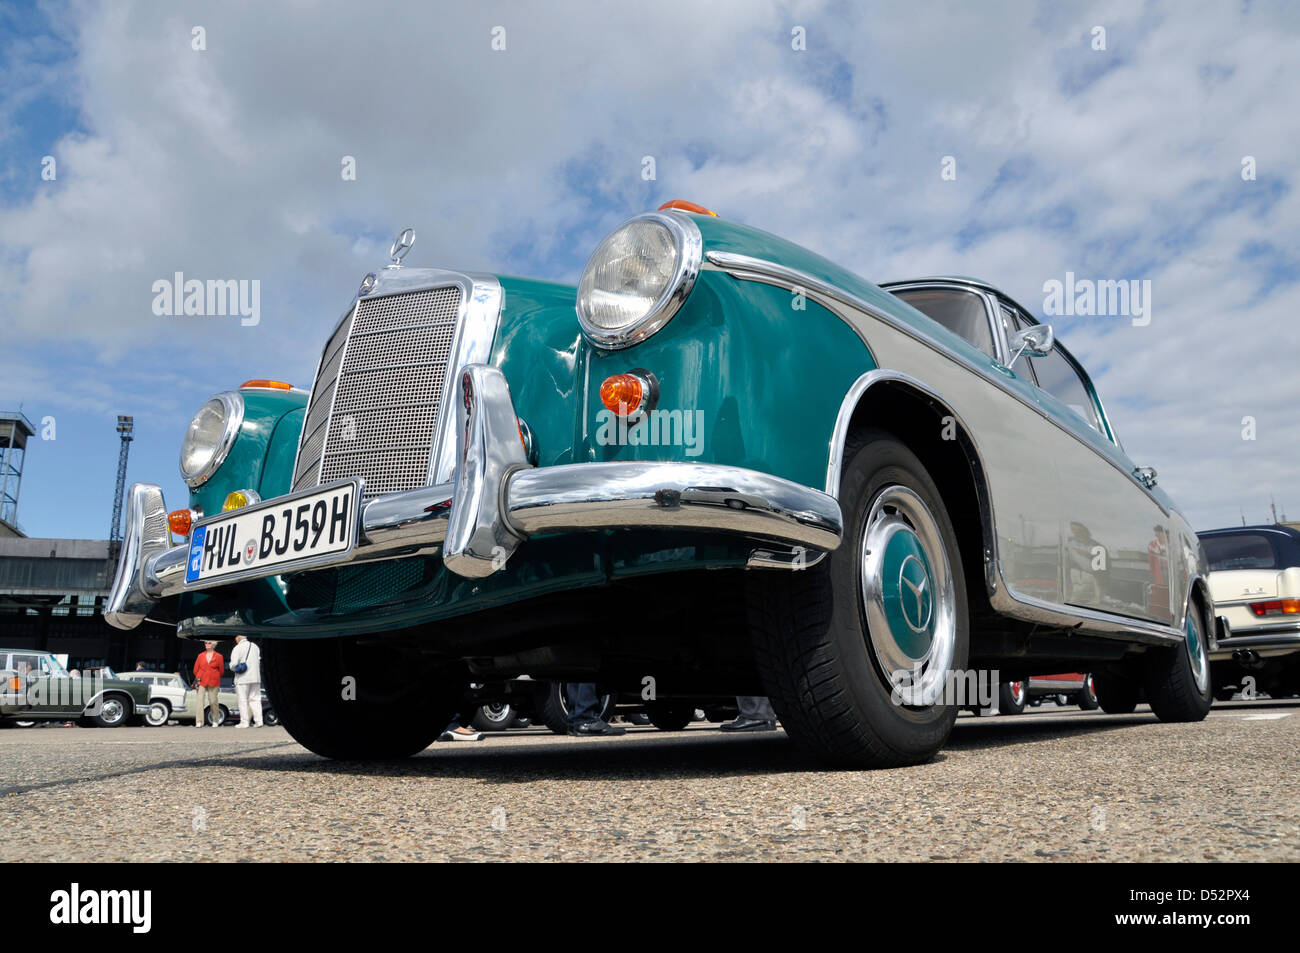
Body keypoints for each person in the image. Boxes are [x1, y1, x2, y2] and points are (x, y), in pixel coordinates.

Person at [228, 635, 263, 728]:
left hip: (242, 678)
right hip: (256, 677)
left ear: (238, 638)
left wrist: (231, 667)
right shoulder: (255, 646)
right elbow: (259, 661)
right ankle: (259, 721)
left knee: (243, 700)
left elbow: (233, 664)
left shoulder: (237, 648)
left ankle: (244, 722)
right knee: (255, 699)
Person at [191, 640, 224, 728]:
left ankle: (215, 720)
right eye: (205, 643)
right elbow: (195, 669)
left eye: (209, 643)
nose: (206, 644)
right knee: (200, 701)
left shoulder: (219, 656)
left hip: (214, 681)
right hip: (201, 680)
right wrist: (199, 677)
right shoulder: (200, 655)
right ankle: (199, 722)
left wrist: (214, 675)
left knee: (213, 701)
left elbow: (221, 671)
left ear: (213, 644)